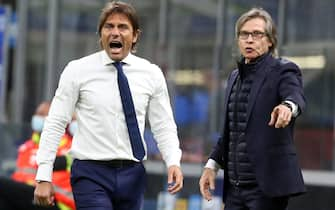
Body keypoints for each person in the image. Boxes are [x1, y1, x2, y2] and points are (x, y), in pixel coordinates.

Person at [33, 1, 183, 210]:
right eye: (109, 26)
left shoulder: (151, 74)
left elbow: (163, 124)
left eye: (122, 27)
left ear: (135, 35)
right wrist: (43, 175)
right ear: (100, 34)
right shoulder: (77, 70)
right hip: (90, 173)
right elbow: (56, 122)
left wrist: (173, 161)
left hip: (133, 173)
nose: (115, 32)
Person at [199, 7, 306, 210]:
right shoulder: (233, 78)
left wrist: (287, 108)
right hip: (235, 189)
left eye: (257, 34)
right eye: (244, 34)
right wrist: (211, 165)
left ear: (270, 40)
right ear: (238, 40)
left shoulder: (283, 70)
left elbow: (295, 96)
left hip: (267, 188)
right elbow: (231, 132)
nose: (250, 40)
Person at [0, 101, 76, 210]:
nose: (38, 118)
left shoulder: (69, 148)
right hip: (26, 195)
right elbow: (18, 175)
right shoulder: (26, 147)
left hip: (55, 201)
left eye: (43, 115)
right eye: (37, 114)